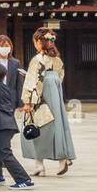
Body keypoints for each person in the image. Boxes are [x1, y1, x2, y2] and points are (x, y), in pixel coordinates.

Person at [20, 28, 76, 177]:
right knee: (57, 125)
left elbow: (32, 81)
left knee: (37, 125)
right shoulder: (57, 59)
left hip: (40, 96)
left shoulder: (37, 60)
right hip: (54, 94)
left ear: (39, 42)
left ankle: (39, 165)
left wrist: (28, 101)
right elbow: (60, 76)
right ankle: (62, 158)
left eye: (35, 42)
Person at [0, 60, 33, 189]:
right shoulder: (6, 87)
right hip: (8, 122)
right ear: (4, 76)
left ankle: (23, 179)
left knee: (5, 152)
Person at [0, 35, 24, 112]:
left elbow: (19, 84)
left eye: (6, 46)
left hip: (11, 100)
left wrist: (21, 103)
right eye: (1, 46)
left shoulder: (16, 63)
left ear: (10, 47)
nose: (4, 48)